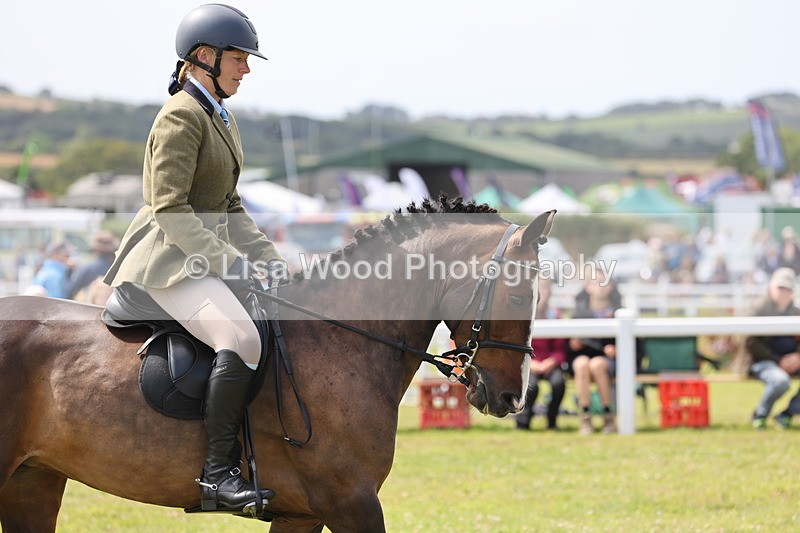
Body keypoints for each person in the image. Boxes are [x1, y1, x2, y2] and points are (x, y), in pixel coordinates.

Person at [103, 4, 286, 513]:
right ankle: (217, 476)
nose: (245, 69)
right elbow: (170, 208)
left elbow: (228, 206)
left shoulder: (220, 115)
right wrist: (230, 262)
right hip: (168, 258)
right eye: (239, 59)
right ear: (205, 57)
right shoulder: (182, 115)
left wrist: (271, 260)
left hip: (200, 253)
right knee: (240, 336)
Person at [745, 267, 800, 430]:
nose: (783, 292)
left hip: (792, 361)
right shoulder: (758, 310)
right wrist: (778, 359)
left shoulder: (796, 313)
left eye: (787, 288)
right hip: (764, 361)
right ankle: (760, 415)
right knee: (780, 381)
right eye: (780, 287)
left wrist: (797, 357)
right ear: (771, 288)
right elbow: (751, 343)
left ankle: (788, 414)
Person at [567, 276, 623, 435]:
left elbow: (634, 345)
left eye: (604, 282)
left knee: (597, 364)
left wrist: (617, 348)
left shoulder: (618, 312)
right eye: (596, 282)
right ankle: (585, 417)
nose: (600, 286)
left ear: (611, 286)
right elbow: (569, 344)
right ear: (588, 287)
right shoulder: (578, 313)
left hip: (608, 361)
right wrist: (573, 345)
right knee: (581, 364)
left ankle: (608, 415)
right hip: (582, 359)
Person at [515, 277, 566, 431]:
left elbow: (561, 347)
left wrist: (552, 361)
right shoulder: (521, 315)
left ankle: (552, 420)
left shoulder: (555, 315)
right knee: (531, 386)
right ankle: (523, 422)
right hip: (528, 362)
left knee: (558, 384)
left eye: (545, 289)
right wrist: (531, 362)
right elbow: (517, 344)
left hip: (550, 363)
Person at [66, 230, 120, 302]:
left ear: (97, 250)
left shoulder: (88, 268)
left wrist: (69, 271)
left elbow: (70, 290)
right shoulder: (118, 269)